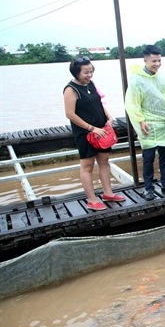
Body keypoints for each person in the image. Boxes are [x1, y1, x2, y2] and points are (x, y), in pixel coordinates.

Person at [63, 56, 125, 211]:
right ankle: (91, 199)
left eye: (91, 71)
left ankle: (108, 193)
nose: (89, 75)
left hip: (102, 130)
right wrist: (91, 128)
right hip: (86, 133)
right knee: (87, 166)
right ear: (76, 73)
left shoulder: (91, 84)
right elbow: (70, 114)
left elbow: (98, 103)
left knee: (104, 162)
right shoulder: (71, 89)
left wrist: (109, 117)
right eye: (85, 72)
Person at [125, 45, 165, 201]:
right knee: (148, 158)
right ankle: (148, 188)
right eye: (153, 61)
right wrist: (140, 121)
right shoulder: (137, 79)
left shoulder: (163, 76)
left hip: (164, 122)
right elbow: (133, 103)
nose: (157, 64)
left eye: (159, 60)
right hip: (148, 124)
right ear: (145, 60)